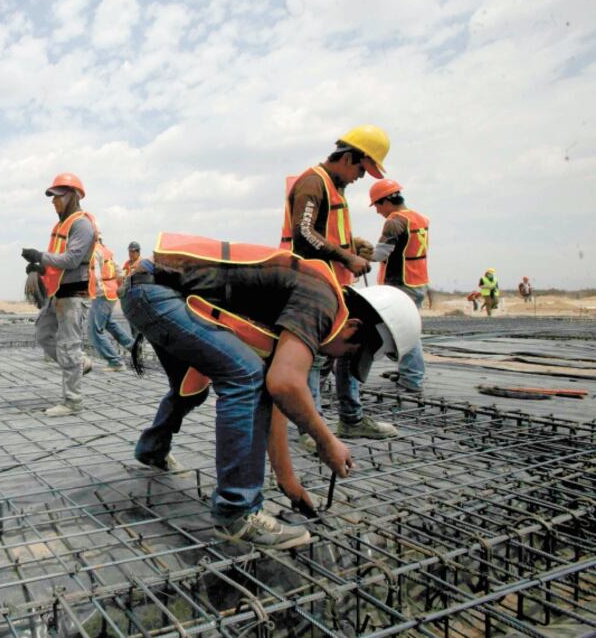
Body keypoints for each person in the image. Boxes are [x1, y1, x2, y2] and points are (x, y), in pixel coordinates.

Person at [121, 233, 420, 548]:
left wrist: (289, 483)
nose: (337, 357)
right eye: (348, 352)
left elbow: (276, 395)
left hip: (151, 289)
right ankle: (237, 513)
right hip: (154, 291)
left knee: (193, 390)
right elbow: (285, 384)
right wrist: (326, 441)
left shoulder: (313, 298)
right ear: (354, 326)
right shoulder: (321, 300)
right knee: (244, 375)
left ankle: (152, 449)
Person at [278, 125, 397, 443]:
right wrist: (346, 257)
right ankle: (311, 429)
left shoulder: (334, 186)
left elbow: (325, 233)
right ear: (347, 157)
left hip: (335, 285)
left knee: (350, 348)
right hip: (314, 286)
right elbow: (304, 234)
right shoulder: (313, 183)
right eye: (361, 168)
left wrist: (353, 247)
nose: (361, 176)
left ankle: (351, 420)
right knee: (315, 357)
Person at [21, 173, 97, 417]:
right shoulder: (60, 226)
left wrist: (40, 256)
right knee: (44, 335)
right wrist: (39, 268)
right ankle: (80, 363)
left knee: (69, 346)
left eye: (57, 197)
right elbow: (56, 264)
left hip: (74, 296)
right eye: (52, 198)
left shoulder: (82, 224)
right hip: (58, 295)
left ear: (73, 196)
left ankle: (72, 401)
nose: (53, 202)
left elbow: (73, 259)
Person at [368, 178, 428, 393]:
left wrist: (357, 253)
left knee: (404, 331)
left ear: (386, 201)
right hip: (417, 281)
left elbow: (381, 253)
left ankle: (412, 378)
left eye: (377, 205)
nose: (377, 211)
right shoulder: (419, 219)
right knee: (407, 329)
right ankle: (409, 373)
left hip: (401, 284)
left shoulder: (395, 221)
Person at [89, 234, 134, 371]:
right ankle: (133, 346)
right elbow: (119, 270)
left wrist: (90, 290)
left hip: (102, 294)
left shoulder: (93, 252)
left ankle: (116, 362)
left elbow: (95, 275)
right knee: (110, 324)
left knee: (94, 330)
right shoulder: (105, 250)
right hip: (111, 292)